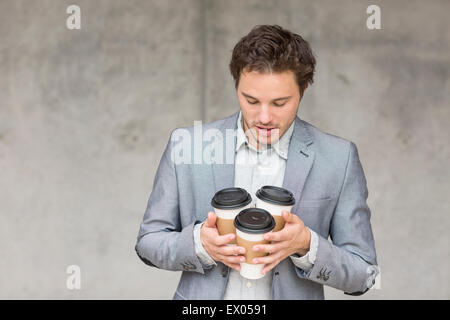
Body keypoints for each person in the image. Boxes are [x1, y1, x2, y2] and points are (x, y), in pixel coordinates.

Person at [135, 24, 379, 300]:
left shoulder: (338, 158)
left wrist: (307, 246)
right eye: (251, 100)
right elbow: (148, 243)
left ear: (304, 88)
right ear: (237, 84)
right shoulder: (188, 146)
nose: (264, 117)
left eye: (279, 103)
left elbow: (365, 273)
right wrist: (199, 244)